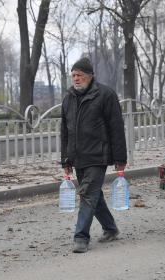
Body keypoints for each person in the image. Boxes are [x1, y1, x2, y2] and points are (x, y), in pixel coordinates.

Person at [60, 57, 127, 253]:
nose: (76, 79)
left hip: (99, 155)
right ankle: (111, 228)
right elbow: (65, 131)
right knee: (94, 194)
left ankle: (81, 237)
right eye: (73, 75)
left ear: (90, 76)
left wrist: (120, 159)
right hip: (78, 156)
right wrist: (66, 159)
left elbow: (116, 128)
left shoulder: (106, 95)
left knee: (88, 194)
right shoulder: (68, 98)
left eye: (79, 75)